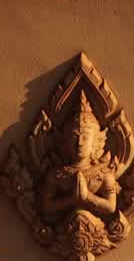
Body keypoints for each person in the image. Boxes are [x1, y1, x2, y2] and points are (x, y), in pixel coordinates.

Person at [41, 92, 119, 222]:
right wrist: (72, 199)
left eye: (85, 137)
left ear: (96, 142)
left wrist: (87, 197)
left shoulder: (103, 174)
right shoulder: (58, 174)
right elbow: (47, 205)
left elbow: (111, 207)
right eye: (74, 136)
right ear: (64, 141)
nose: (79, 143)